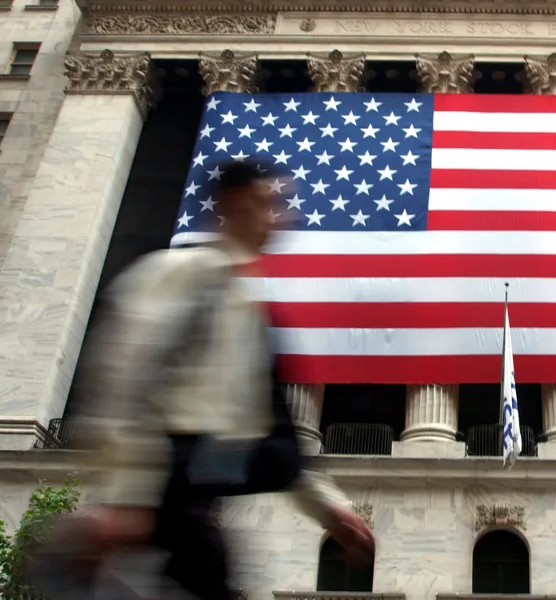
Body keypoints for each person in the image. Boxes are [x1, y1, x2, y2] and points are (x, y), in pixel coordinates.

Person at [74, 161, 374, 600]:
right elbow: (125, 381)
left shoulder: (246, 307)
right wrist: (128, 495)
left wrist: (330, 509)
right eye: (265, 203)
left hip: (198, 503)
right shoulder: (176, 275)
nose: (277, 218)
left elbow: (266, 433)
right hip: (157, 501)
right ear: (231, 204)